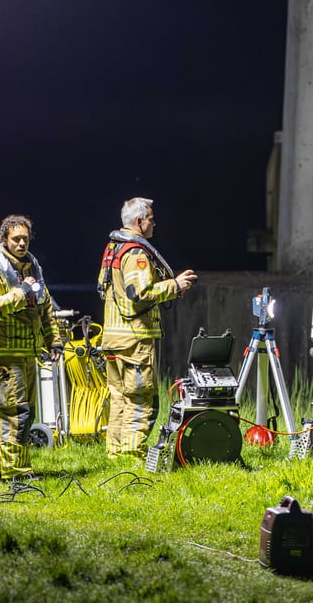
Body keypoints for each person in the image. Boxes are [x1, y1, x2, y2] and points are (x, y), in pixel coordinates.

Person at [99, 197, 197, 459]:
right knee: (141, 398)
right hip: (134, 338)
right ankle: (132, 453)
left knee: (119, 396)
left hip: (112, 337)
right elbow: (140, 292)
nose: (155, 223)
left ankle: (115, 452)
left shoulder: (113, 249)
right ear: (140, 222)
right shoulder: (135, 253)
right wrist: (175, 286)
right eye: (152, 219)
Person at [0, 214, 63, 481]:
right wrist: (20, 293)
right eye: (16, 239)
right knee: (16, 413)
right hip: (5, 354)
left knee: (19, 413)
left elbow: (46, 308)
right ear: (4, 239)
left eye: (25, 238)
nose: (22, 243)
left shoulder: (32, 270)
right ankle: (16, 471)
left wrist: (55, 341)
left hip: (27, 353)